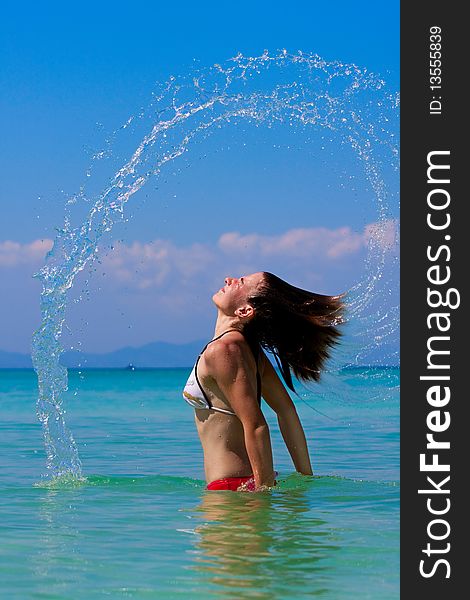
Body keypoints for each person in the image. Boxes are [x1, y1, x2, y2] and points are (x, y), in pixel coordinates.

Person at [182, 272, 345, 492]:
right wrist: (306, 477)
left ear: (245, 311)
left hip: (232, 491)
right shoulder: (246, 349)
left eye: (240, 282)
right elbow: (286, 410)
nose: (228, 279)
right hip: (243, 486)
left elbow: (256, 425)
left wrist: (262, 495)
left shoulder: (224, 350)